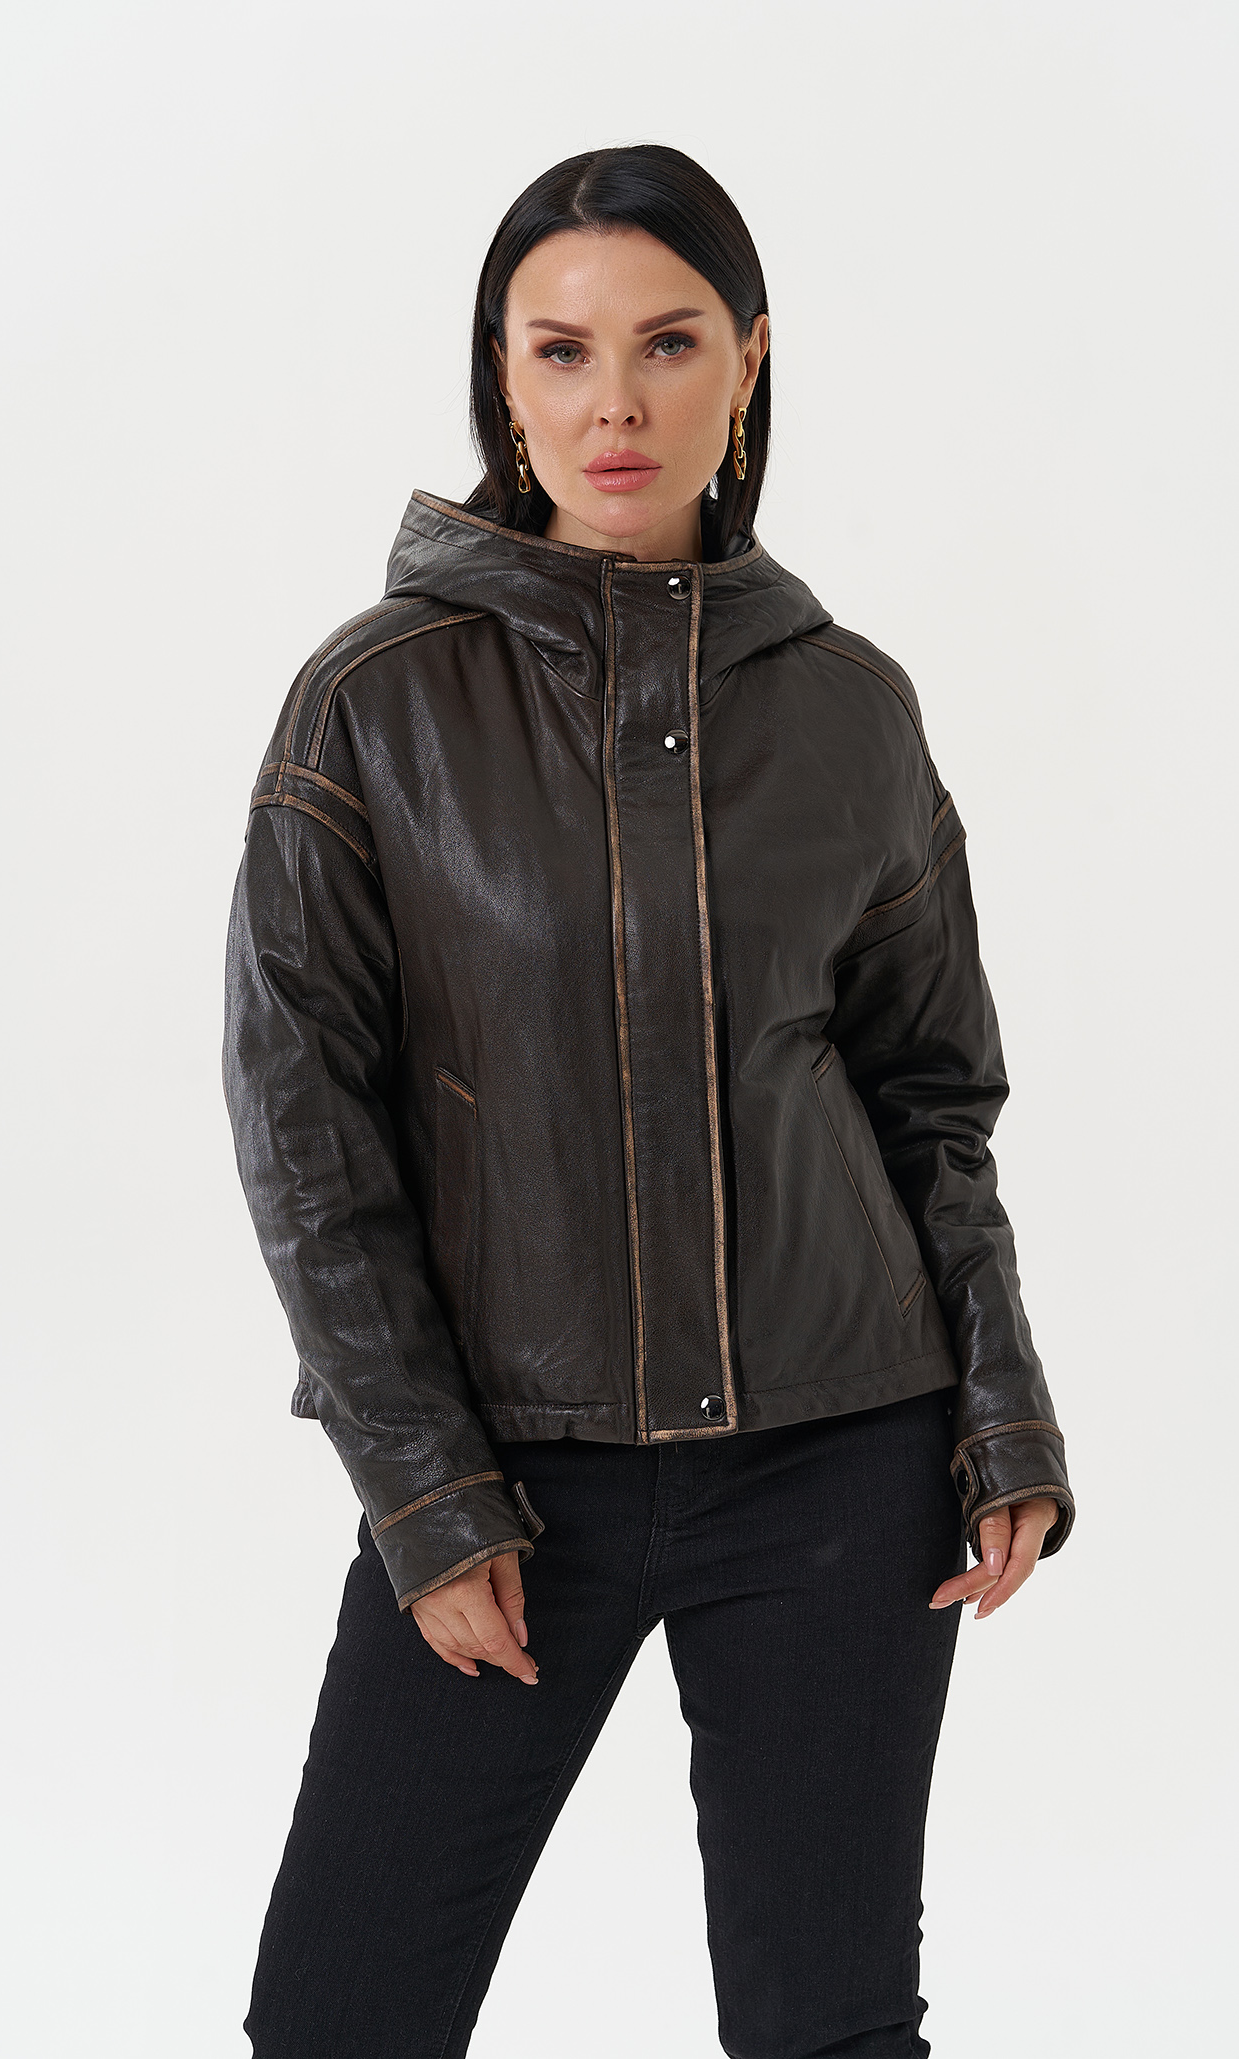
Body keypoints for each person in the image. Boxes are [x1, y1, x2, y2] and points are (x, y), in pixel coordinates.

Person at [222, 143, 1075, 2059]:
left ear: (749, 360)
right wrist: (427, 1492)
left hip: (845, 1455)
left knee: (828, 2028)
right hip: (510, 1476)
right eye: (563, 350)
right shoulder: (373, 703)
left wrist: (999, 1405)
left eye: (669, 342)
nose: (615, 402)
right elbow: (305, 1128)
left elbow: (930, 1094)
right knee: (342, 2016)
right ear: (503, 380)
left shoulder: (849, 704)